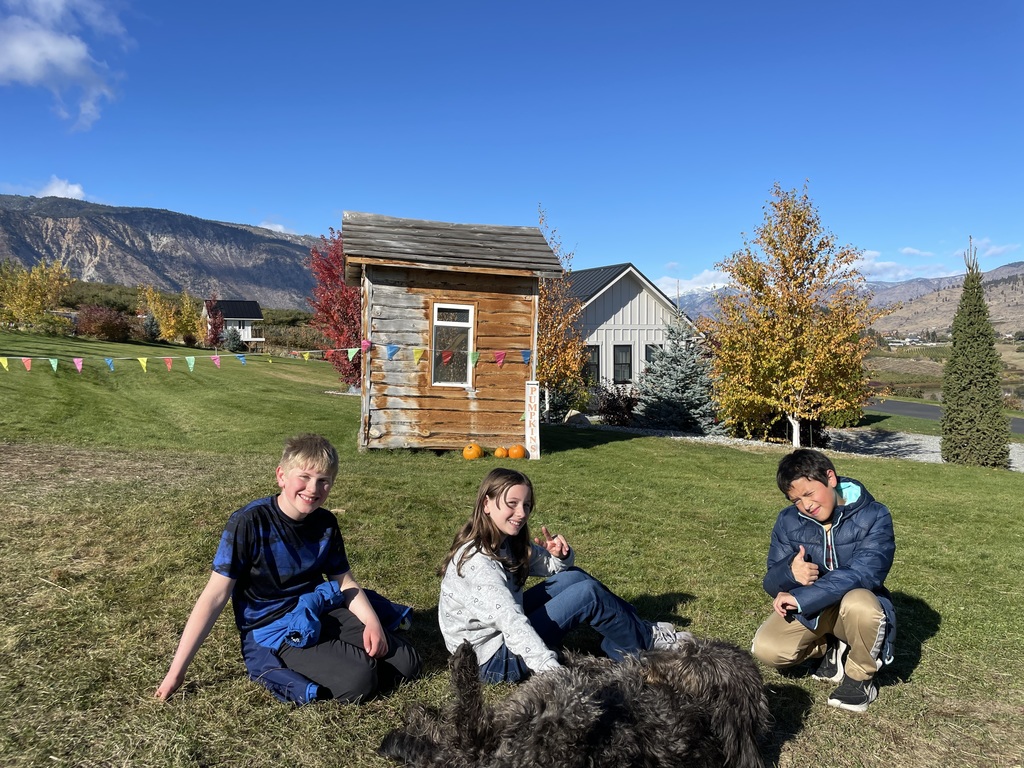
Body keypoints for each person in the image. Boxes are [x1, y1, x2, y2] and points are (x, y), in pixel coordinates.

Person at [156, 434, 421, 705]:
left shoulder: (326, 523)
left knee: (407, 663)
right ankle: (305, 668)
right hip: (274, 627)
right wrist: (176, 673)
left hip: (318, 608)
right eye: (304, 477)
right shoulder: (249, 522)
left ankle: (349, 661)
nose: (313, 488)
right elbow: (215, 596)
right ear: (281, 476)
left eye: (323, 481)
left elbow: (344, 581)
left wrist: (372, 623)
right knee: (361, 681)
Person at [438, 467, 691, 683]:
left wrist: (560, 557)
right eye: (512, 504)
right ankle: (647, 646)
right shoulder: (478, 563)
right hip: (490, 661)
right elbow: (511, 622)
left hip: (498, 639)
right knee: (588, 596)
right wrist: (552, 672)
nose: (522, 514)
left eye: (526, 505)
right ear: (486, 504)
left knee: (575, 578)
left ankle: (633, 634)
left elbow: (554, 568)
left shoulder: (503, 541)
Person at [751, 448, 896, 713]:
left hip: (853, 605)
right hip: (816, 610)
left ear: (830, 478)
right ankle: (828, 646)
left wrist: (801, 597)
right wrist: (789, 574)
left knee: (860, 603)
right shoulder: (787, 520)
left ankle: (859, 678)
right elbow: (770, 581)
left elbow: (864, 573)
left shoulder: (875, 515)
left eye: (809, 493)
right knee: (767, 648)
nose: (805, 505)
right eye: (796, 500)